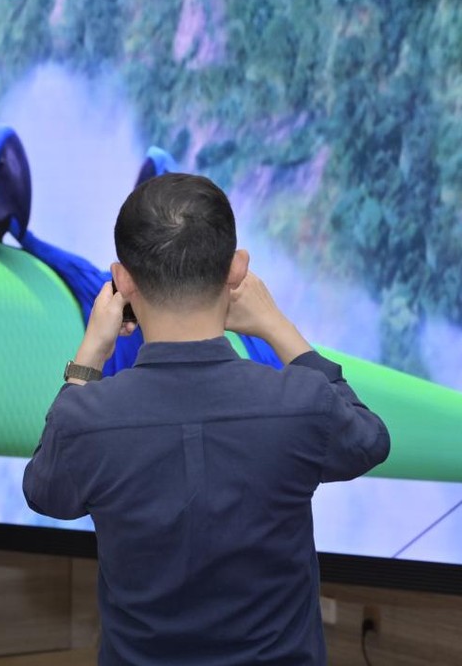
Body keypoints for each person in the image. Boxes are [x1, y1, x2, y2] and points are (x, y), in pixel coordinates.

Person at [23, 172, 390, 666]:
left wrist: (91, 354)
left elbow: (45, 492)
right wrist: (275, 325)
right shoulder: (301, 402)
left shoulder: (85, 421)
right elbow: (369, 440)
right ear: (236, 269)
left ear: (123, 280)